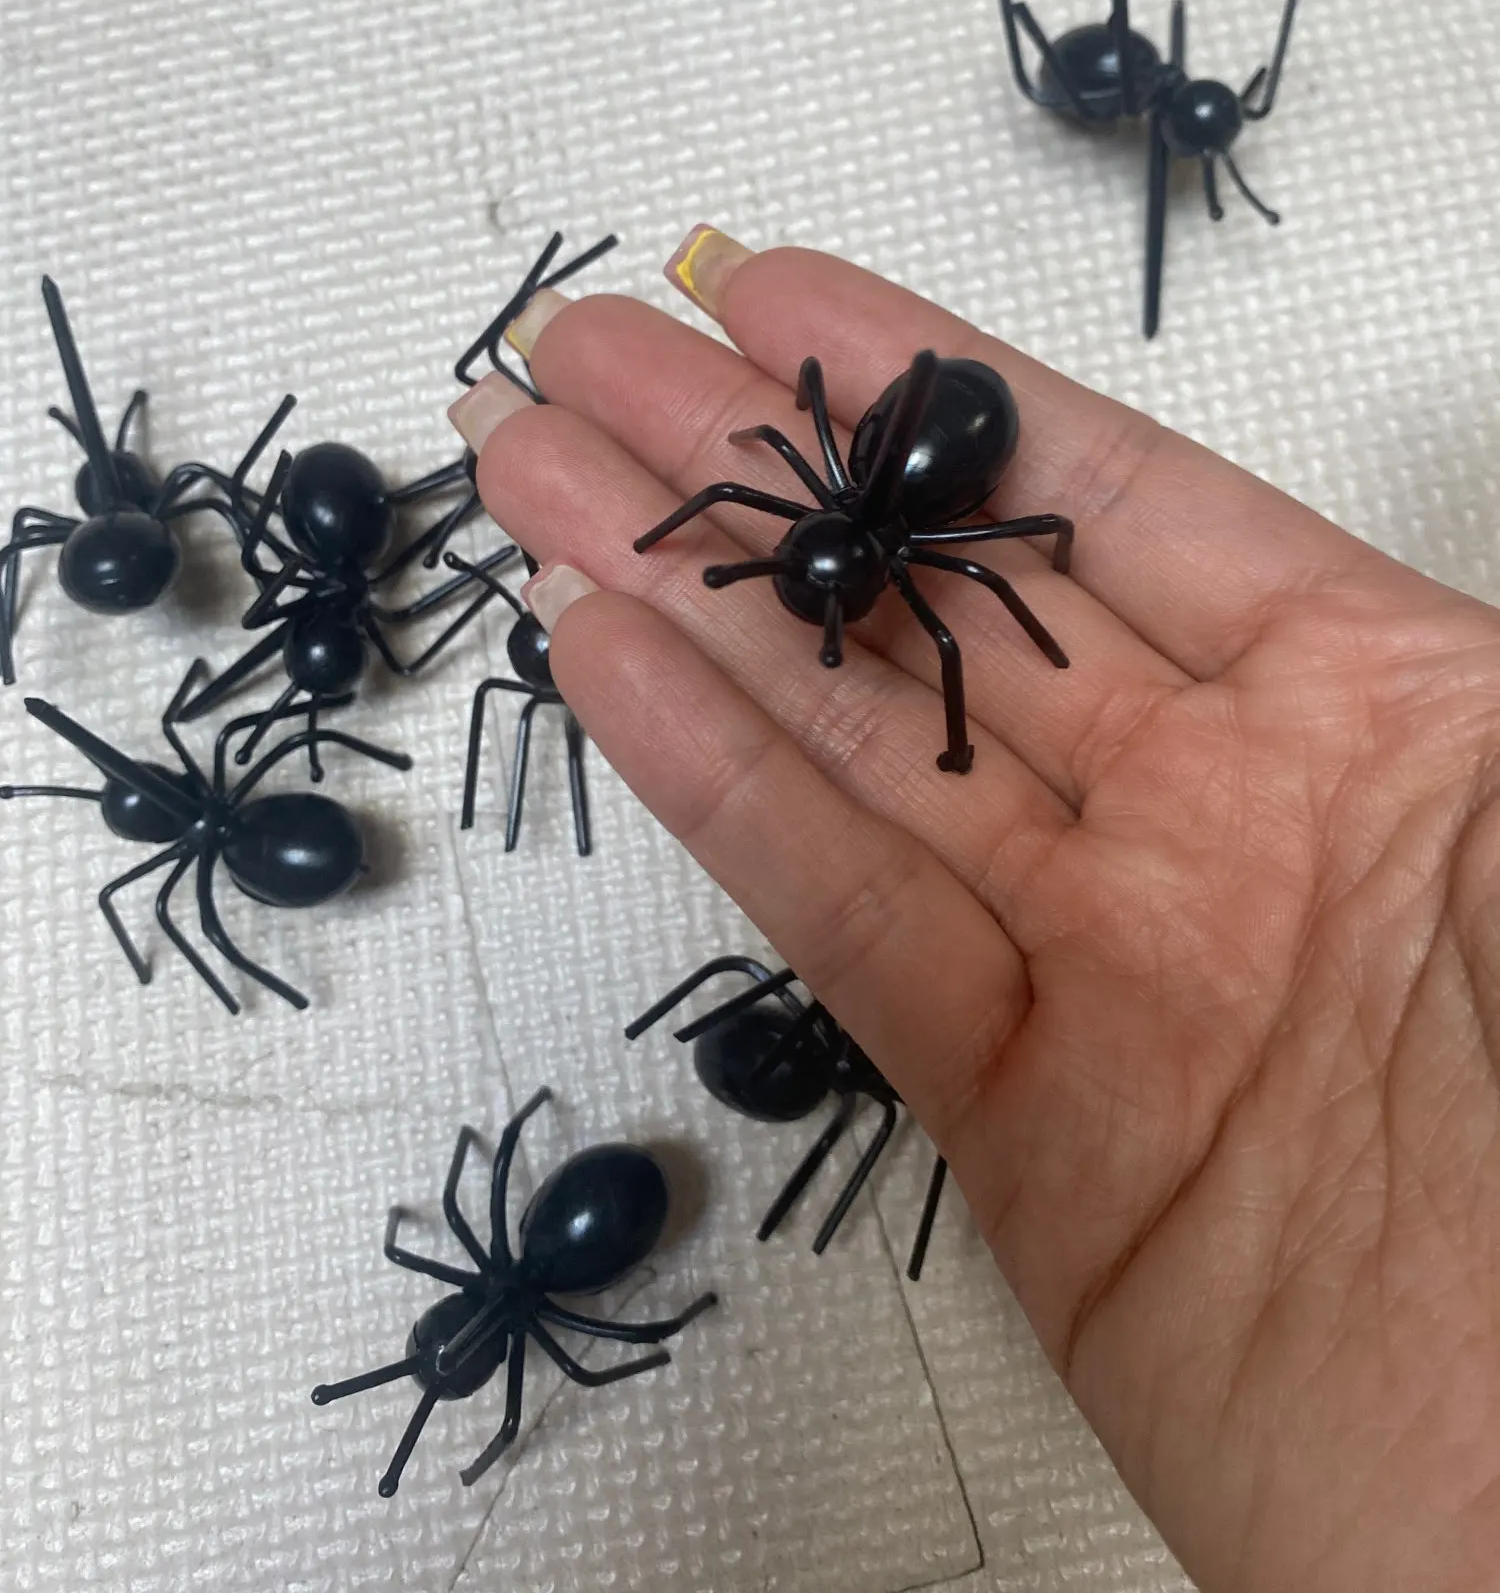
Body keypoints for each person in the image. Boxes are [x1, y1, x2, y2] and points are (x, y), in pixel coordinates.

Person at [448, 230, 1500, 1593]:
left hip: (937, 446)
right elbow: (752, 481)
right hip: (907, 457)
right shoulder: (814, 515)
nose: (821, 604)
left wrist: (971, 659)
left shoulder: (901, 547)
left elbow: (972, 582)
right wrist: (674, 545)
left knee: (948, 621)